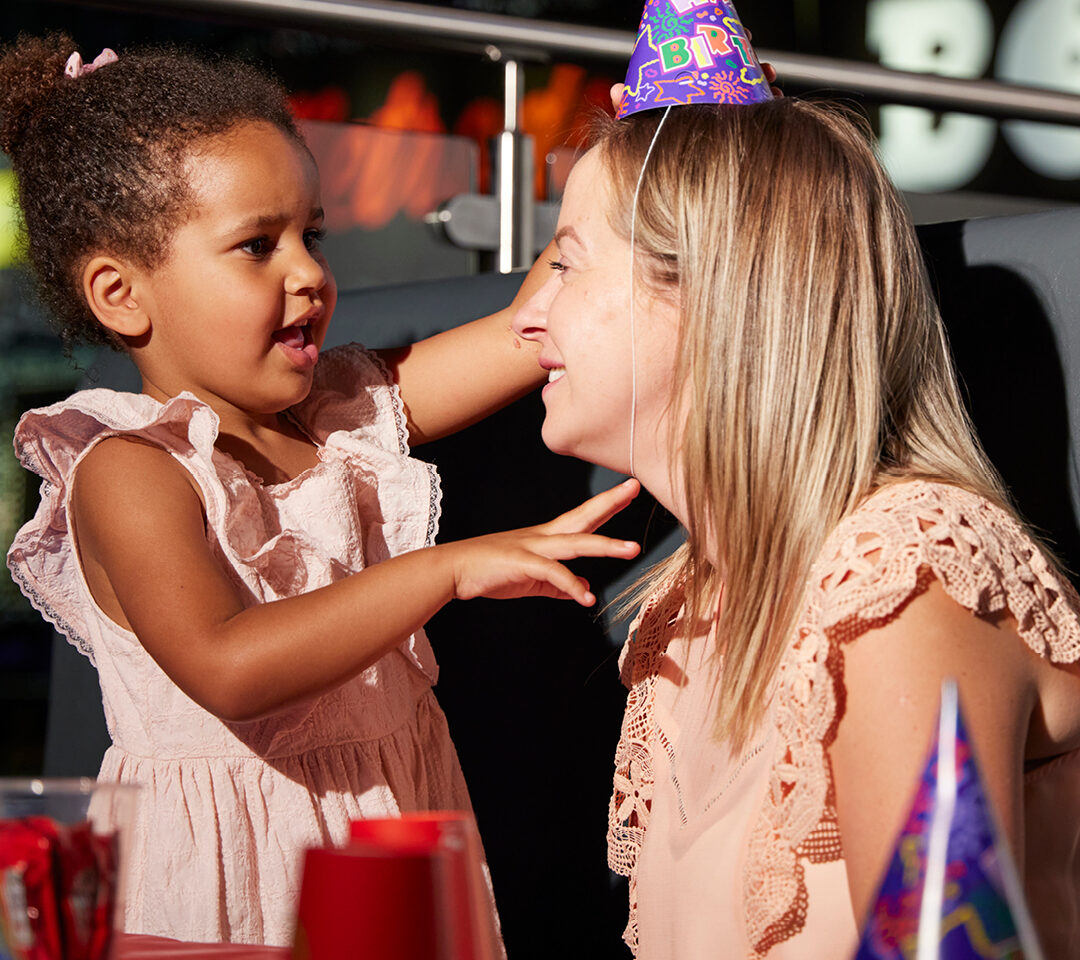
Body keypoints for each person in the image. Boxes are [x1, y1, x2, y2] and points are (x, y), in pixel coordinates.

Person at [0, 35, 643, 946]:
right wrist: (446, 571)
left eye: (313, 234)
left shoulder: (341, 409)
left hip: (394, 830)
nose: (307, 271)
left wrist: (635, 151)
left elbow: (519, 330)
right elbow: (231, 665)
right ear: (120, 295)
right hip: (235, 891)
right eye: (257, 245)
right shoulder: (129, 469)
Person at [512, 96, 1080, 959]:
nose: (526, 320)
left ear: (708, 292)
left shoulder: (906, 576)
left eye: (565, 264)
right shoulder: (686, 605)